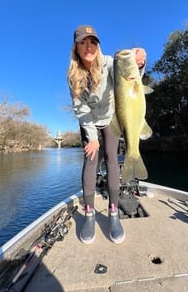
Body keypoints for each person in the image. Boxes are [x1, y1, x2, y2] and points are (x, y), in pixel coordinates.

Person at [67, 25, 146, 244]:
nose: (88, 47)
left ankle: (113, 212)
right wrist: (92, 137)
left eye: (92, 42)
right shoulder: (73, 76)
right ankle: (90, 214)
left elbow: (129, 78)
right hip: (90, 122)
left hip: (112, 118)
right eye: (83, 42)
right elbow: (81, 109)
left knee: (112, 160)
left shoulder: (110, 62)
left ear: (98, 45)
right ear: (76, 48)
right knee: (91, 160)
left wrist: (139, 64)